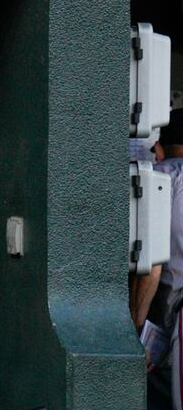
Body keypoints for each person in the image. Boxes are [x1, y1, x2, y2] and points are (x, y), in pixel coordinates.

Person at [133, 108, 183, 410]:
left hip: (174, 317)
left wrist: (135, 328)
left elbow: (151, 265)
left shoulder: (165, 177)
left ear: (160, 148)